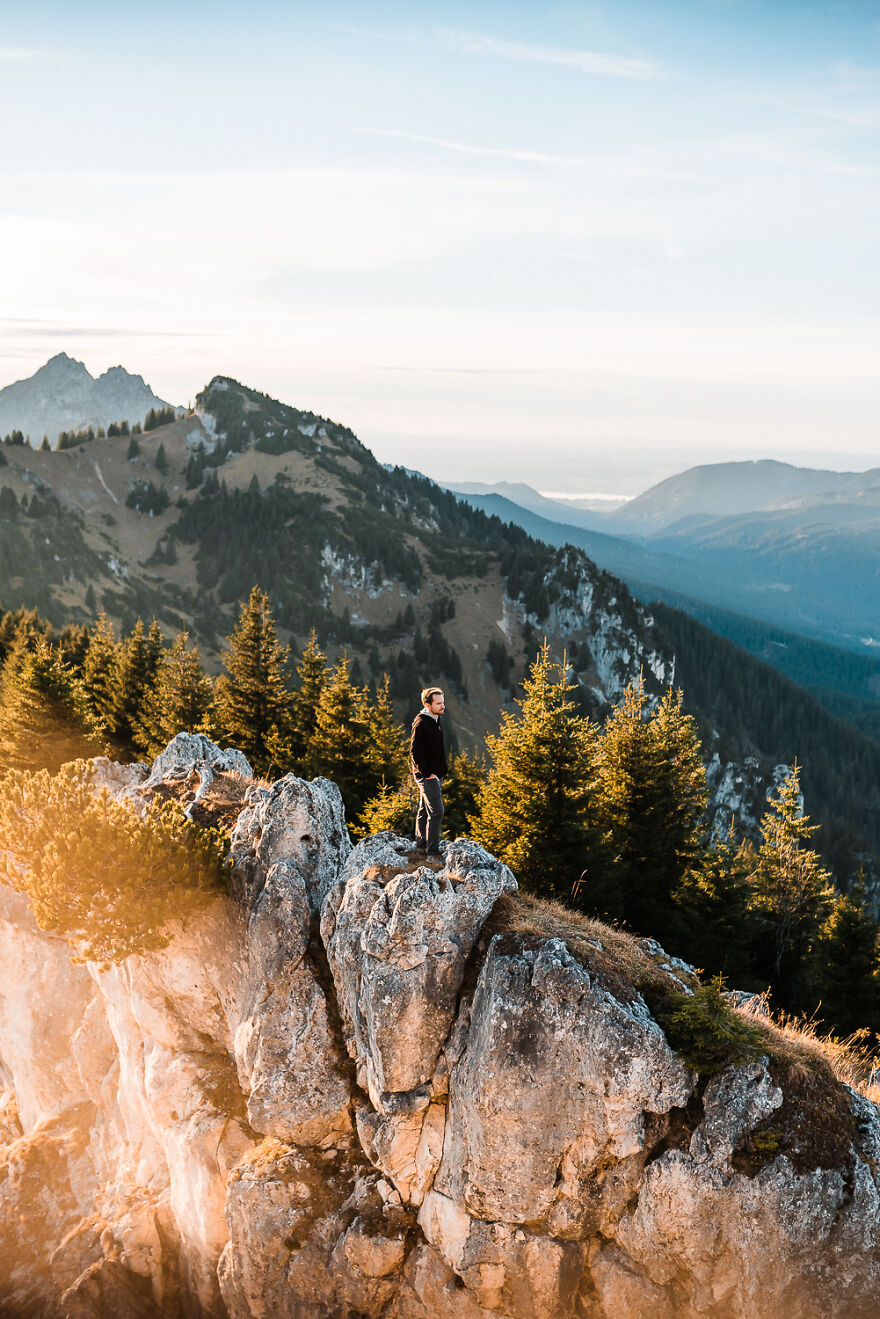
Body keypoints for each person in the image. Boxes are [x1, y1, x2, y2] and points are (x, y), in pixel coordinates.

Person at [410, 686, 447, 858]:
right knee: (437, 811)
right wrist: (427, 774)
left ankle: (421, 847)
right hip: (427, 776)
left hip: (435, 774)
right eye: (438, 703)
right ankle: (432, 852)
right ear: (427, 704)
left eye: (443, 702)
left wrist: (441, 771)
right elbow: (415, 752)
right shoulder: (421, 723)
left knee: (424, 810)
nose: (442, 706)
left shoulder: (434, 719)